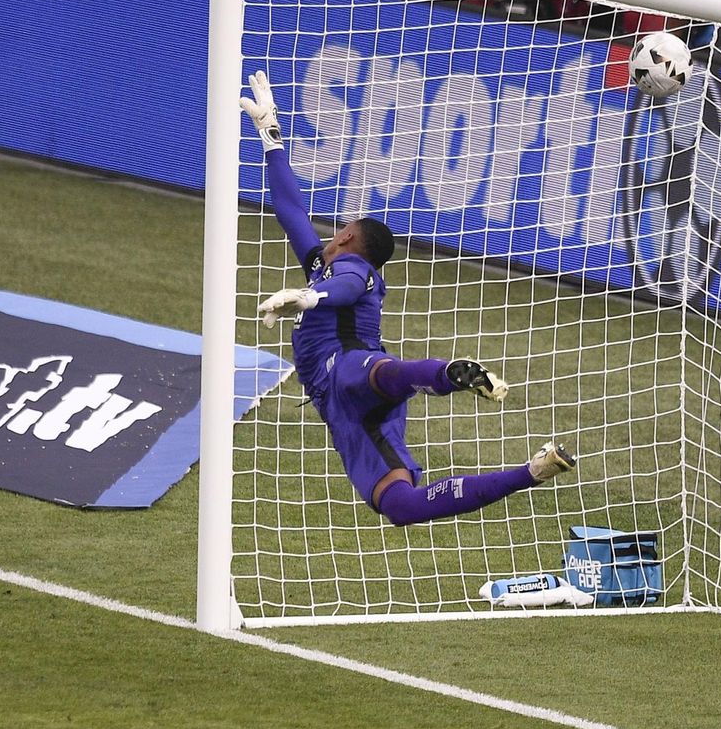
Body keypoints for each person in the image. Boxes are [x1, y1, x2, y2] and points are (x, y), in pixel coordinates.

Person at [239, 71, 577, 528]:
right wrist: (270, 135)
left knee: (381, 373)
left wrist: (307, 298)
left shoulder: (355, 271)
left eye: (343, 227)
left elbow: (345, 290)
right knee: (400, 507)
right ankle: (531, 472)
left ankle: (448, 373)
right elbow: (289, 209)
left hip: (350, 366)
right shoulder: (323, 262)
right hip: (340, 408)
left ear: (349, 235)